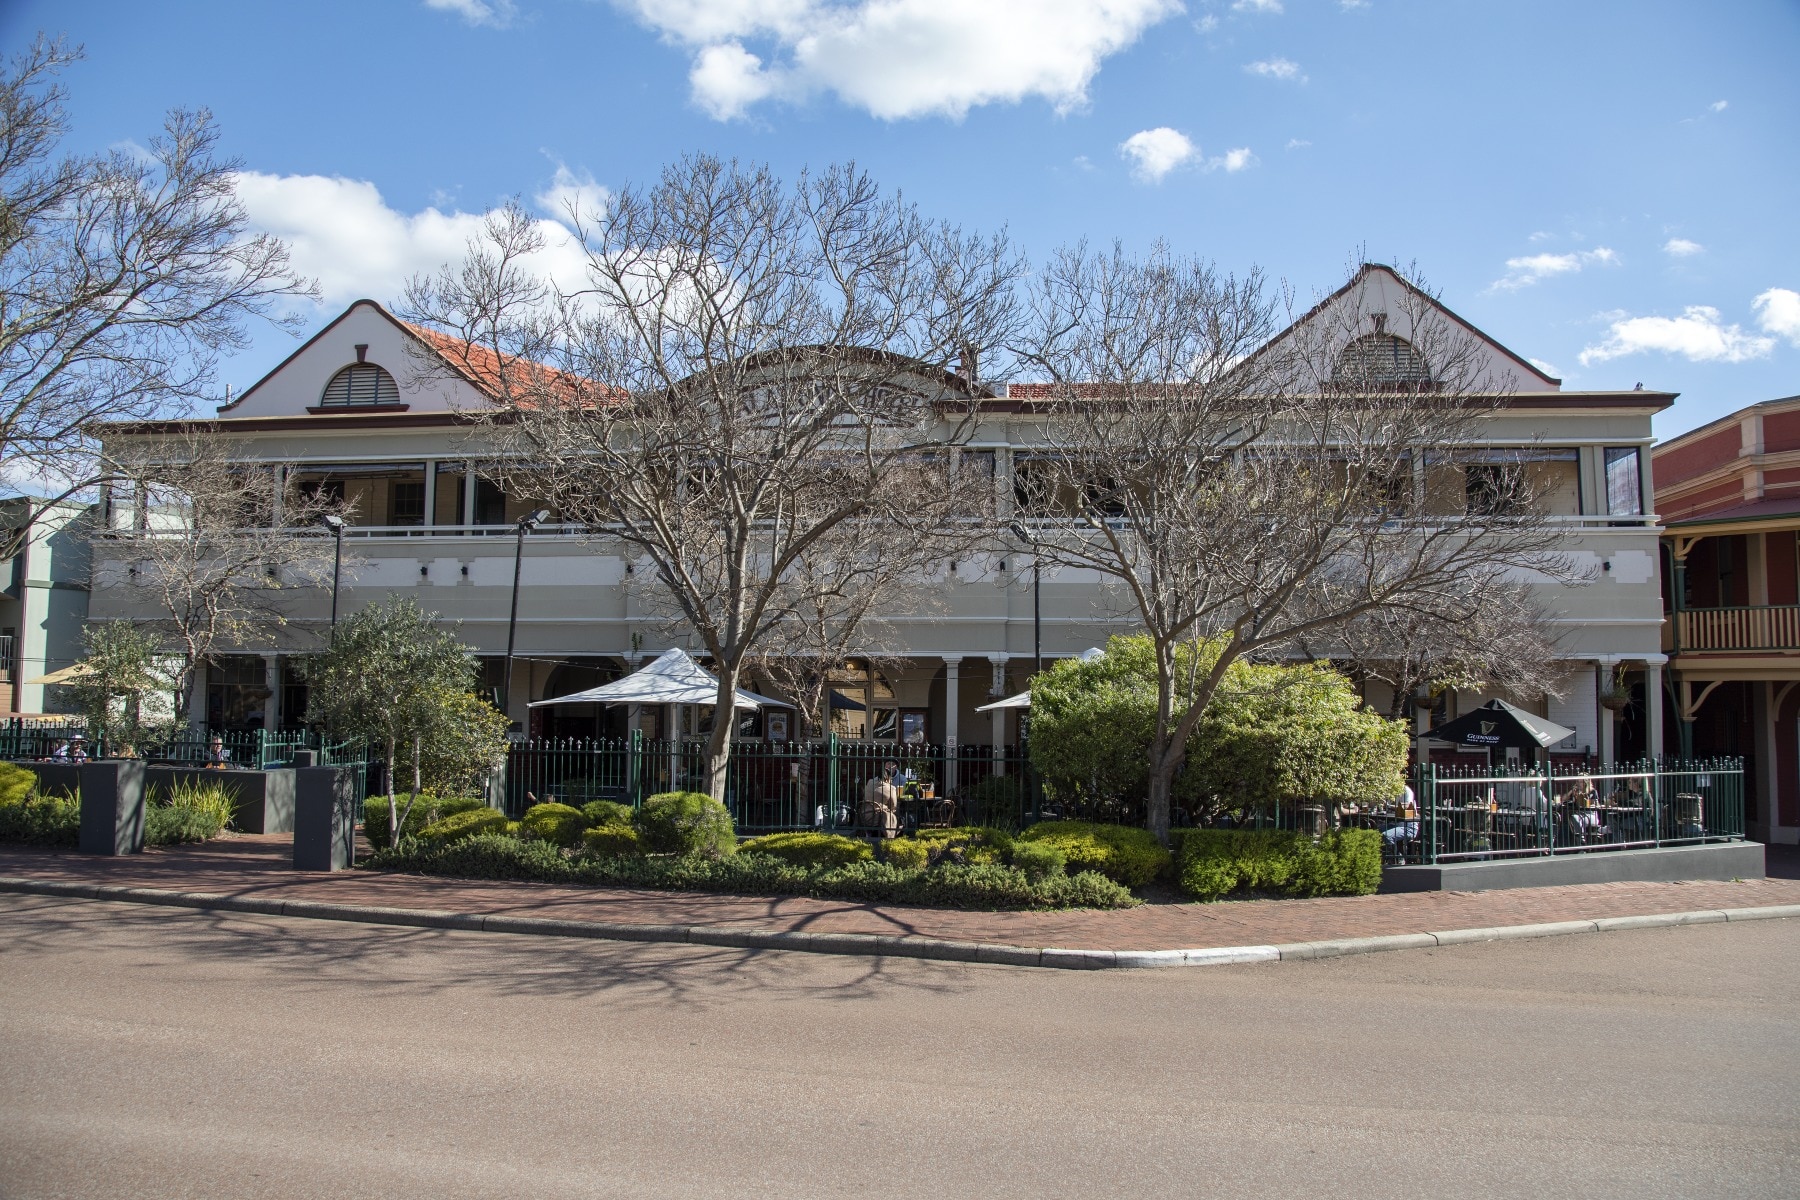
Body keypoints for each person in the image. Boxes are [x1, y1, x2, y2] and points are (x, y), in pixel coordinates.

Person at [860, 760, 900, 838]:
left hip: (864, 815)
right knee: (893, 816)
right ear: (889, 777)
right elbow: (893, 806)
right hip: (878, 819)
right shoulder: (891, 788)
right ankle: (889, 836)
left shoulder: (870, 782)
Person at [1382, 782, 1419, 850]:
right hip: (1394, 824)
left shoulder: (1406, 790)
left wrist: (1389, 806)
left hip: (1408, 826)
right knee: (1374, 831)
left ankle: (1398, 858)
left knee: (1386, 835)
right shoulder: (1389, 791)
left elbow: (1406, 806)